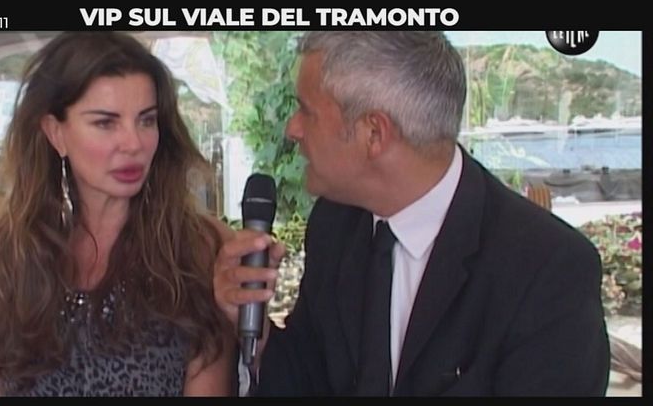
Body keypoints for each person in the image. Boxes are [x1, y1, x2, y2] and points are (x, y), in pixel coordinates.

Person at [214, 31, 610, 396]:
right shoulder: (335, 224)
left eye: (306, 111)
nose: (292, 129)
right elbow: (309, 378)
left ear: (374, 133)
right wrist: (255, 335)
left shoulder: (548, 269)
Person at [0, 32, 235, 396]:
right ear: (55, 133)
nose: (133, 143)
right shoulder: (6, 251)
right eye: (106, 123)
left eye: (146, 120)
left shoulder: (201, 248)